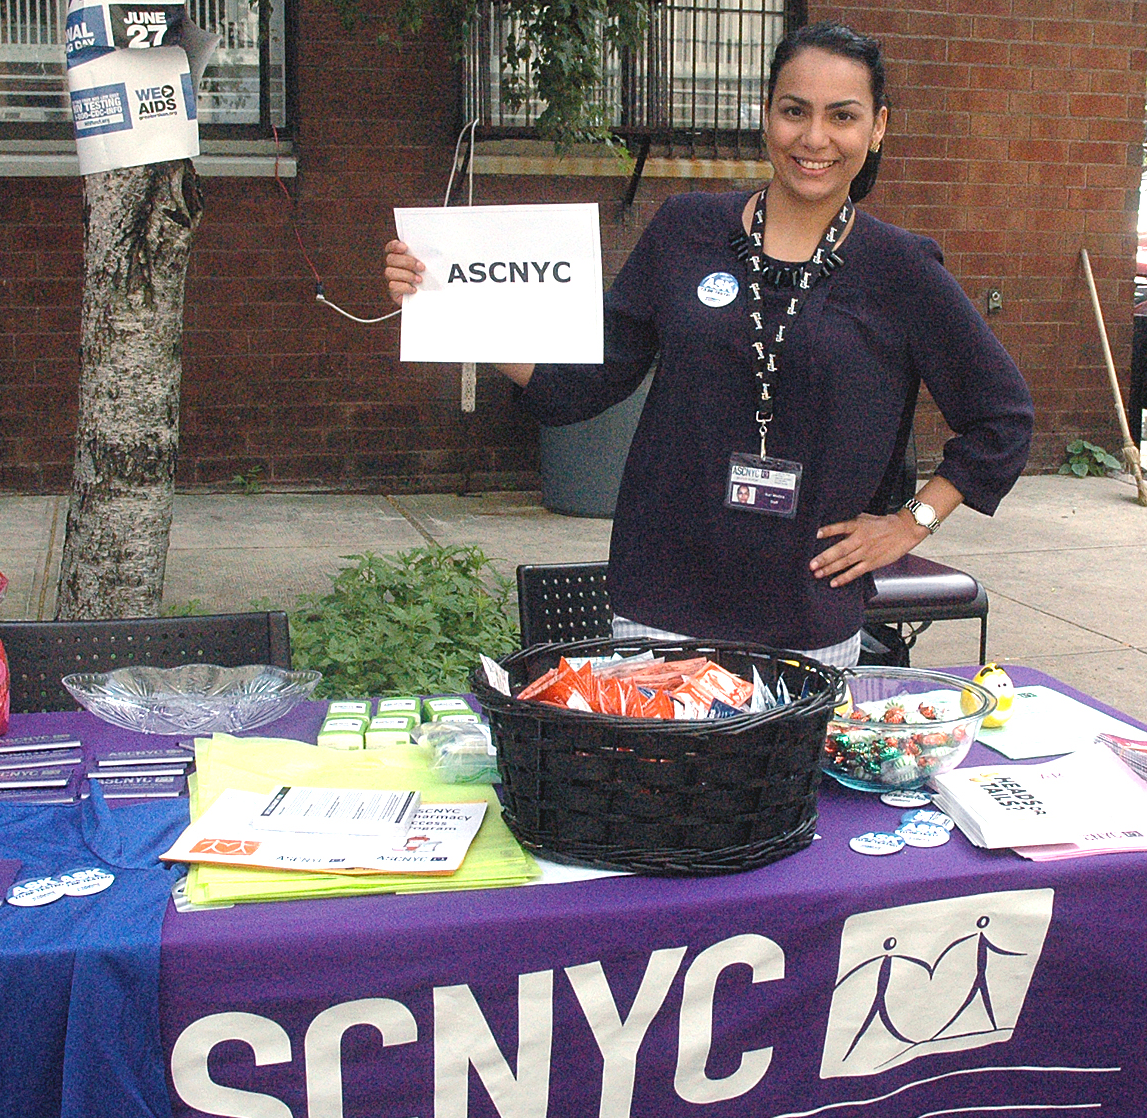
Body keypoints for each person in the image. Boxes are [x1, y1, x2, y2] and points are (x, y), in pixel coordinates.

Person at [384, 22, 1033, 668]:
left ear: (878, 126)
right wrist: (446, 297)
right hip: (662, 602)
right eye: (794, 111)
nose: (814, 138)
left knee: (786, 774)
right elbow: (586, 378)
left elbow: (1000, 417)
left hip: (804, 613)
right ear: (765, 115)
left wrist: (911, 523)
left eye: (843, 116)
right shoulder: (684, 231)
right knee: (652, 772)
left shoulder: (902, 270)